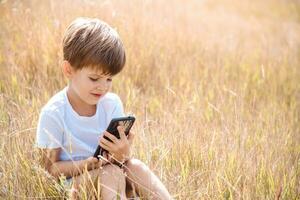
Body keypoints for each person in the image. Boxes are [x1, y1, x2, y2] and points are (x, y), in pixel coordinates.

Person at [35, 17, 172, 200]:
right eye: (94, 79)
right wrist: (89, 164)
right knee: (111, 174)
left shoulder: (111, 104)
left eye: (109, 79)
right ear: (69, 70)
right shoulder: (54, 113)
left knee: (135, 166)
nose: (103, 87)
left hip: (109, 177)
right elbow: (49, 171)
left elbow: (116, 162)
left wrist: (122, 153)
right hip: (73, 185)